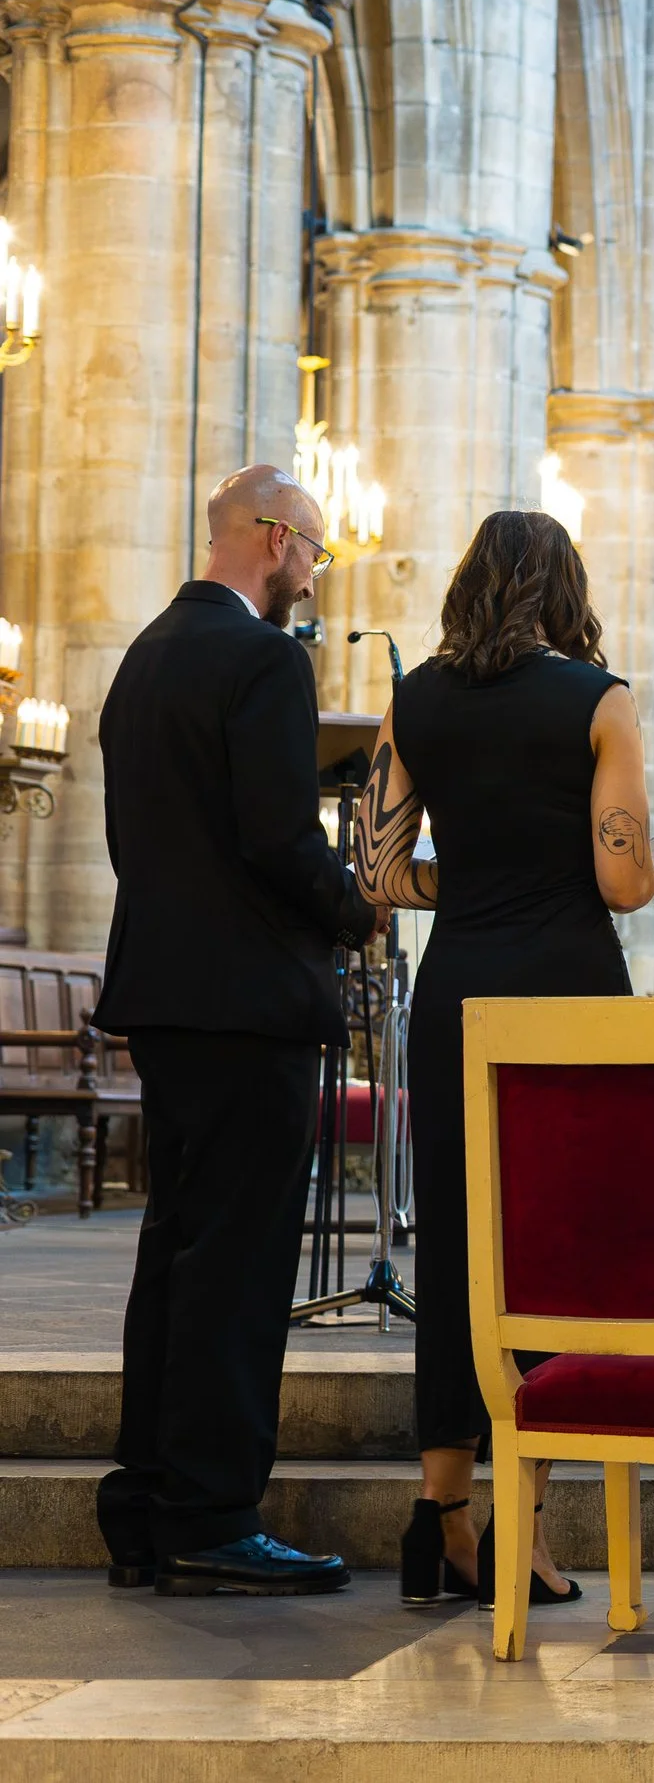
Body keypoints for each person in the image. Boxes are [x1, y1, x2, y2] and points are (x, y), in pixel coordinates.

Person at [355, 509, 654, 1607]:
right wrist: (622, 858)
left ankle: (442, 1517)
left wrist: (474, 886)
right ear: (564, 592)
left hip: (459, 998)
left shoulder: (416, 699)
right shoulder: (598, 699)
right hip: (570, 996)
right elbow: (624, 883)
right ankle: (522, 1524)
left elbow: (381, 876)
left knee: (457, 1251)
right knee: (558, 1255)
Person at [93, 464, 378, 1596]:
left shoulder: (144, 658)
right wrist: (353, 910)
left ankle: (147, 1506)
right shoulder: (264, 659)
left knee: (176, 1251)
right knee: (242, 1266)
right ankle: (214, 1514)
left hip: (165, 998)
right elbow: (275, 838)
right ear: (272, 538)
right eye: (313, 550)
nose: (314, 573)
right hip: (248, 1005)